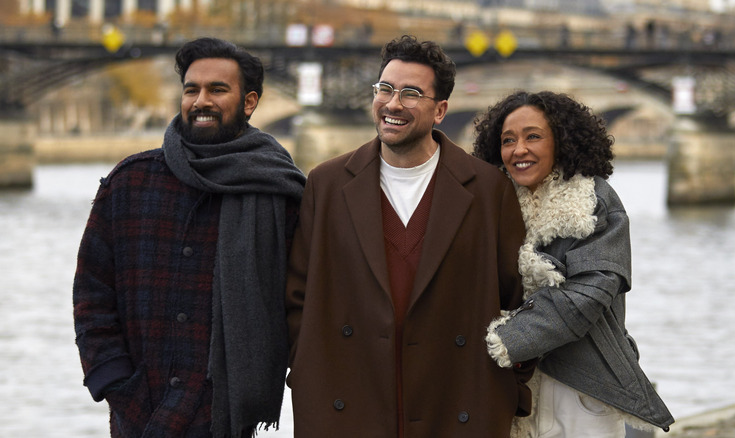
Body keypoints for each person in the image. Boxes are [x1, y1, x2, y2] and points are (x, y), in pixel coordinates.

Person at [285, 35, 533, 437]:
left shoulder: (489, 190)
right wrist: (312, 374)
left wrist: (506, 387)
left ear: (440, 111)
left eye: (411, 93)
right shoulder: (326, 184)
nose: (393, 103)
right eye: (384, 89)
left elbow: (518, 299)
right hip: (347, 402)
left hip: (456, 403)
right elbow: (297, 295)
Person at [73, 37, 306, 437]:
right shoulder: (130, 183)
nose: (201, 101)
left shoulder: (281, 195)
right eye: (191, 89)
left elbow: (302, 305)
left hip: (225, 415)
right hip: (136, 409)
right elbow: (91, 292)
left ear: (249, 103)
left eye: (217, 90)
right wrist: (113, 380)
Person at [473, 90, 674, 437]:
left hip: (583, 388)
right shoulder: (490, 206)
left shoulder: (594, 202)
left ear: (561, 142)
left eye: (533, 136)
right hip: (512, 387)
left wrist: (506, 341)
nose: (519, 149)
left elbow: (589, 293)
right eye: (508, 140)